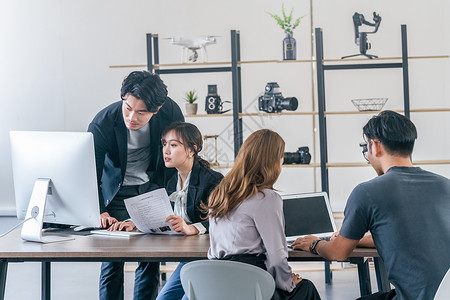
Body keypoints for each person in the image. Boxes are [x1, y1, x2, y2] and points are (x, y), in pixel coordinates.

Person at [292, 110, 450, 300]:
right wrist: (355, 238)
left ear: (374, 146)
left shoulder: (367, 192)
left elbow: (338, 253)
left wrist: (314, 243)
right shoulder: (445, 185)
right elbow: (406, 233)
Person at [88, 71, 184, 300]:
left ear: (156, 109)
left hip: (153, 187)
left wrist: (172, 197)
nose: (132, 117)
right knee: (113, 259)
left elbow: (179, 157)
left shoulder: (170, 113)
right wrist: (99, 209)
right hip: (117, 192)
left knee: (150, 257)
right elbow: (92, 172)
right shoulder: (102, 123)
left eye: (141, 112)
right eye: (128, 107)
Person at [109, 121, 223, 300]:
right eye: (164, 144)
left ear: (192, 150)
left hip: (210, 258)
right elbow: (163, 215)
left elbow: (222, 220)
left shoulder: (212, 180)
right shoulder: (171, 180)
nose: (166, 151)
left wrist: (191, 228)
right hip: (188, 258)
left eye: (174, 145)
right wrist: (135, 223)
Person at [206, 129, 321, 300]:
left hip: (219, 287)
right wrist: (288, 284)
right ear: (273, 162)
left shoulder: (220, 194)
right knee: (305, 288)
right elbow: (276, 255)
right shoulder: (266, 198)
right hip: (251, 287)